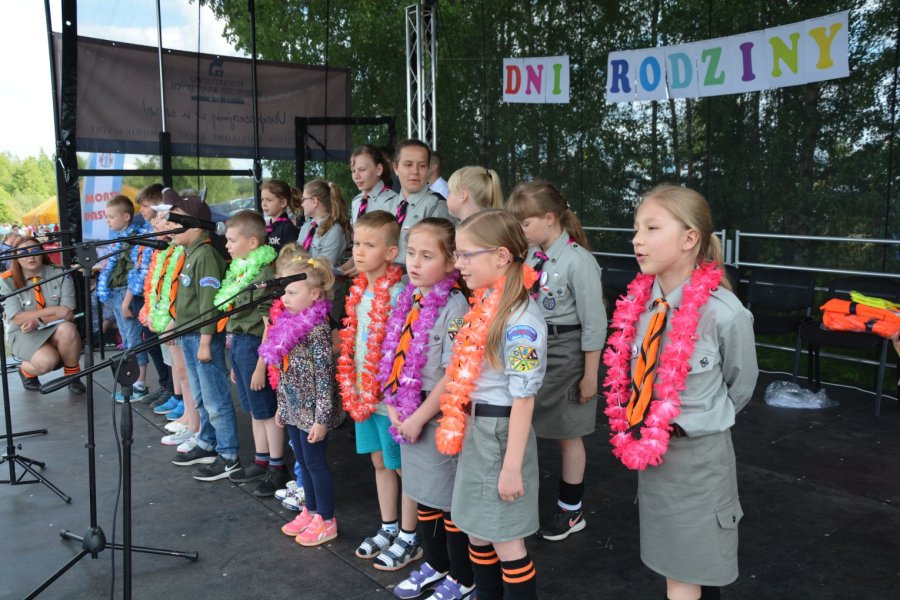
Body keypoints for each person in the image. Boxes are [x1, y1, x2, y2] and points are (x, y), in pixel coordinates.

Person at [604, 184, 758, 600]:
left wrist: (698, 419)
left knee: (692, 573)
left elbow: (740, 386)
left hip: (699, 461)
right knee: (678, 569)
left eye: (652, 228)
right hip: (655, 460)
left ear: (690, 238)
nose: (637, 239)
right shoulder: (637, 308)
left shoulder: (724, 314)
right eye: (636, 228)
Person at [436, 209, 546, 600]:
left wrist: (511, 467)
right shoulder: (486, 304)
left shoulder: (520, 320)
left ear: (501, 256)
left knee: (506, 540)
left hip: (499, 434)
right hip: (478, 429)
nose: (458, 263)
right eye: (457, 254)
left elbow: (524, 398)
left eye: (467, 254)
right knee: (478, 532)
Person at [506, 181, 606, 542]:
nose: (520, 231)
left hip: (568, 355)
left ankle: (571, 508)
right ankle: (519, 495)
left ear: (549, 218)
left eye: (525, 223)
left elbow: (595, 324)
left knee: (568, 434)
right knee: (522, 426)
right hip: (535, 350)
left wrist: (590, 376)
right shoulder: (532, 256)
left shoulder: (579, 261)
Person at [381, 218, 474, 598]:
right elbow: (395, 354)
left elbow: (453, 374)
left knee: (448, 502)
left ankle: (462, 576)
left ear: (451, 262)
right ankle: (436, 564)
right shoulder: (408, 298)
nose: (414, 262)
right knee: (422, 494)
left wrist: (419, 418)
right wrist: (393, 406)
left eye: (426, 255)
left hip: (436, 419)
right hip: (408, 414)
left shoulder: (455, 307)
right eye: (411, 253)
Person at [338, 210, 411, 567]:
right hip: (362, 396)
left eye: (370, 245)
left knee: (402, 467)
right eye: (356, 243)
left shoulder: (399, 294)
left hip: (389, 402)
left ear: (391, 252)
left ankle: (410, 535)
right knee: (379, 461)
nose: (359, 251)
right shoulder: (358, 292)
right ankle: (389, 525)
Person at [261, 256, 342, 546]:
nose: (285, 298)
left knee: (315, 464)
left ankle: (326, 519)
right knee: (303, 463)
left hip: (313, 412)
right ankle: (311, 510)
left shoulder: (318, 329)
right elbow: (284, 371)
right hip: (294, 407)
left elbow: (325, 376)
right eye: (284, 292)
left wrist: (321, 420)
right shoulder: (288, 322)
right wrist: (283, 406)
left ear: (315, 294)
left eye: (292, 292)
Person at [165, 190, 242, 481]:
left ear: (196, 225)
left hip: (202, 337)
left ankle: (229, 456)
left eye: (178, 220)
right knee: (200, 396)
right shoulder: (190, 253)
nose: (171, 226)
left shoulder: (206, 255)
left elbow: (210, 305)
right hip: (189, 335)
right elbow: (186, 299)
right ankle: (208, 443)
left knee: (215, 399)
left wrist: (206, 342)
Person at [216, 210, 287, 497]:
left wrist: (260, 366)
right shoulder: (241, 269)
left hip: (257, 347)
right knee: (255, 412)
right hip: (239, 344)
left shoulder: (264, 274)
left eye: (233, 240)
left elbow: (270, 324)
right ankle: (261, 460)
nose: (227, 245)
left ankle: (277, 466)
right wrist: (235, 361)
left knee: (266, 411)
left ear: (254, 242)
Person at [0, 237, 85, 394]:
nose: (31, 256)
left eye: (35, 251)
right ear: (15, 257)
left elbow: (67, 311)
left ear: (42, 254)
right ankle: (26, 371)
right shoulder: (7, 280)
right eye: (24, 253)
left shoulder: (60, 273)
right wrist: (53, 311)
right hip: (23, 331)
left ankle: (73, 377)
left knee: (68, 329)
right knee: (47, 361)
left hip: (55, 325)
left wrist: (38, 320)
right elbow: (18, 318)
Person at [97, 194, 152, 401]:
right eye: (106, 217)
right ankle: (132, 381)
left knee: (134, 340)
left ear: (126, 216)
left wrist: (126, 303)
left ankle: (139, 383)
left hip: (126, 294)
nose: (107, 221)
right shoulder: (117, 238)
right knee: (127, 340)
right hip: (116, 294)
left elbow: (135, 273)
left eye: (111, 216)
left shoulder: (132, 240)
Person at [134, 183, 174, 407]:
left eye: (146, 205)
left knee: (165, 349)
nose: (141, 209)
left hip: (163, 304)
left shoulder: (167, 241)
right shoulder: (146, 233)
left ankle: (172, 390)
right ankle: (166, 385)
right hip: (149, 299)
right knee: (152, 344)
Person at [391, 139, 452, 265]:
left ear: (429, 169)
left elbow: (442, 257)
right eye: (408, 165)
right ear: (396, 168)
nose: (415, 171)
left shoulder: (437, 206)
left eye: (422, 166)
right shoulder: (386, 204)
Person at [297, 179, 351, 267]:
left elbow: (324, 267)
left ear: (314, 201)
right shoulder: (306, 227)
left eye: (303, 199)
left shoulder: (334, 230)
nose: (301, 204)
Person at [261, 180, 301, 253]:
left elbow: (292, 256)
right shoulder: (267, 227)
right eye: (262, 199)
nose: (264, 204)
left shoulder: (288, 229)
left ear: (283, 203)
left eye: (269, 200)